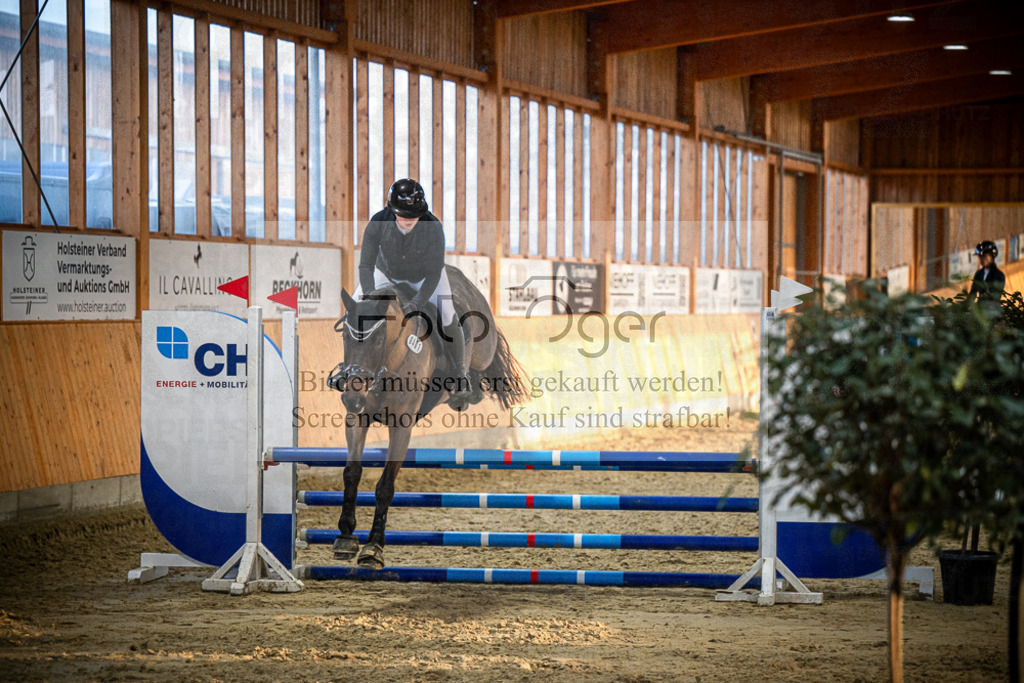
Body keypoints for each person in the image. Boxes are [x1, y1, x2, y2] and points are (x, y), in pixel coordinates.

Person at [355, 178, 471, 401]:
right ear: (392, 210)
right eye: (403, 214)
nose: (409, 220)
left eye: (414, 215)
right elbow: (366, 265)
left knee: (447, 313)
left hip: (424, 277)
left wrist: (417, 302)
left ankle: (460, 373)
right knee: (355, 304)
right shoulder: (377, 223)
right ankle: (349, 367)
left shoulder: (433, 227)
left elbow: (435, 273)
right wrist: (369, 296)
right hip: (386, 273)